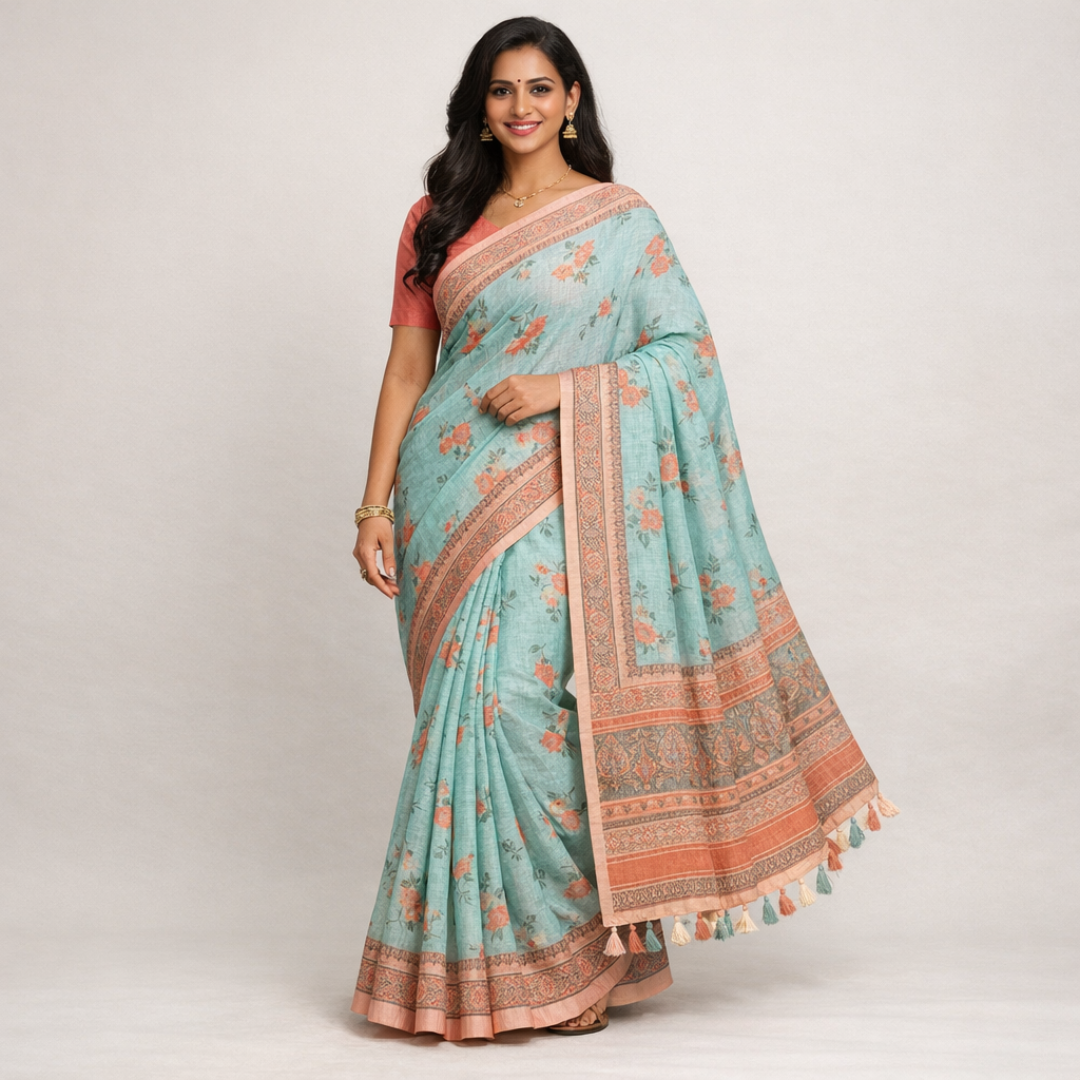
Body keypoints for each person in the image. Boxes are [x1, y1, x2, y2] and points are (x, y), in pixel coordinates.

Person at [350, 16, 897, 1042]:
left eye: (540, 88)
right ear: (479, 106)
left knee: (527, 712)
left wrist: (564, 389)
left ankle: (571, 969)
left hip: (558, 491)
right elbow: (409, 368)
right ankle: (482, 973)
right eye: (502, 90)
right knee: (459, 726)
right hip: (444, 498)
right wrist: (375, 504)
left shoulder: (620, 221)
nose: (520, 107)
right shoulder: (435, 219)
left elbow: (685, 352)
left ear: (571, 101)